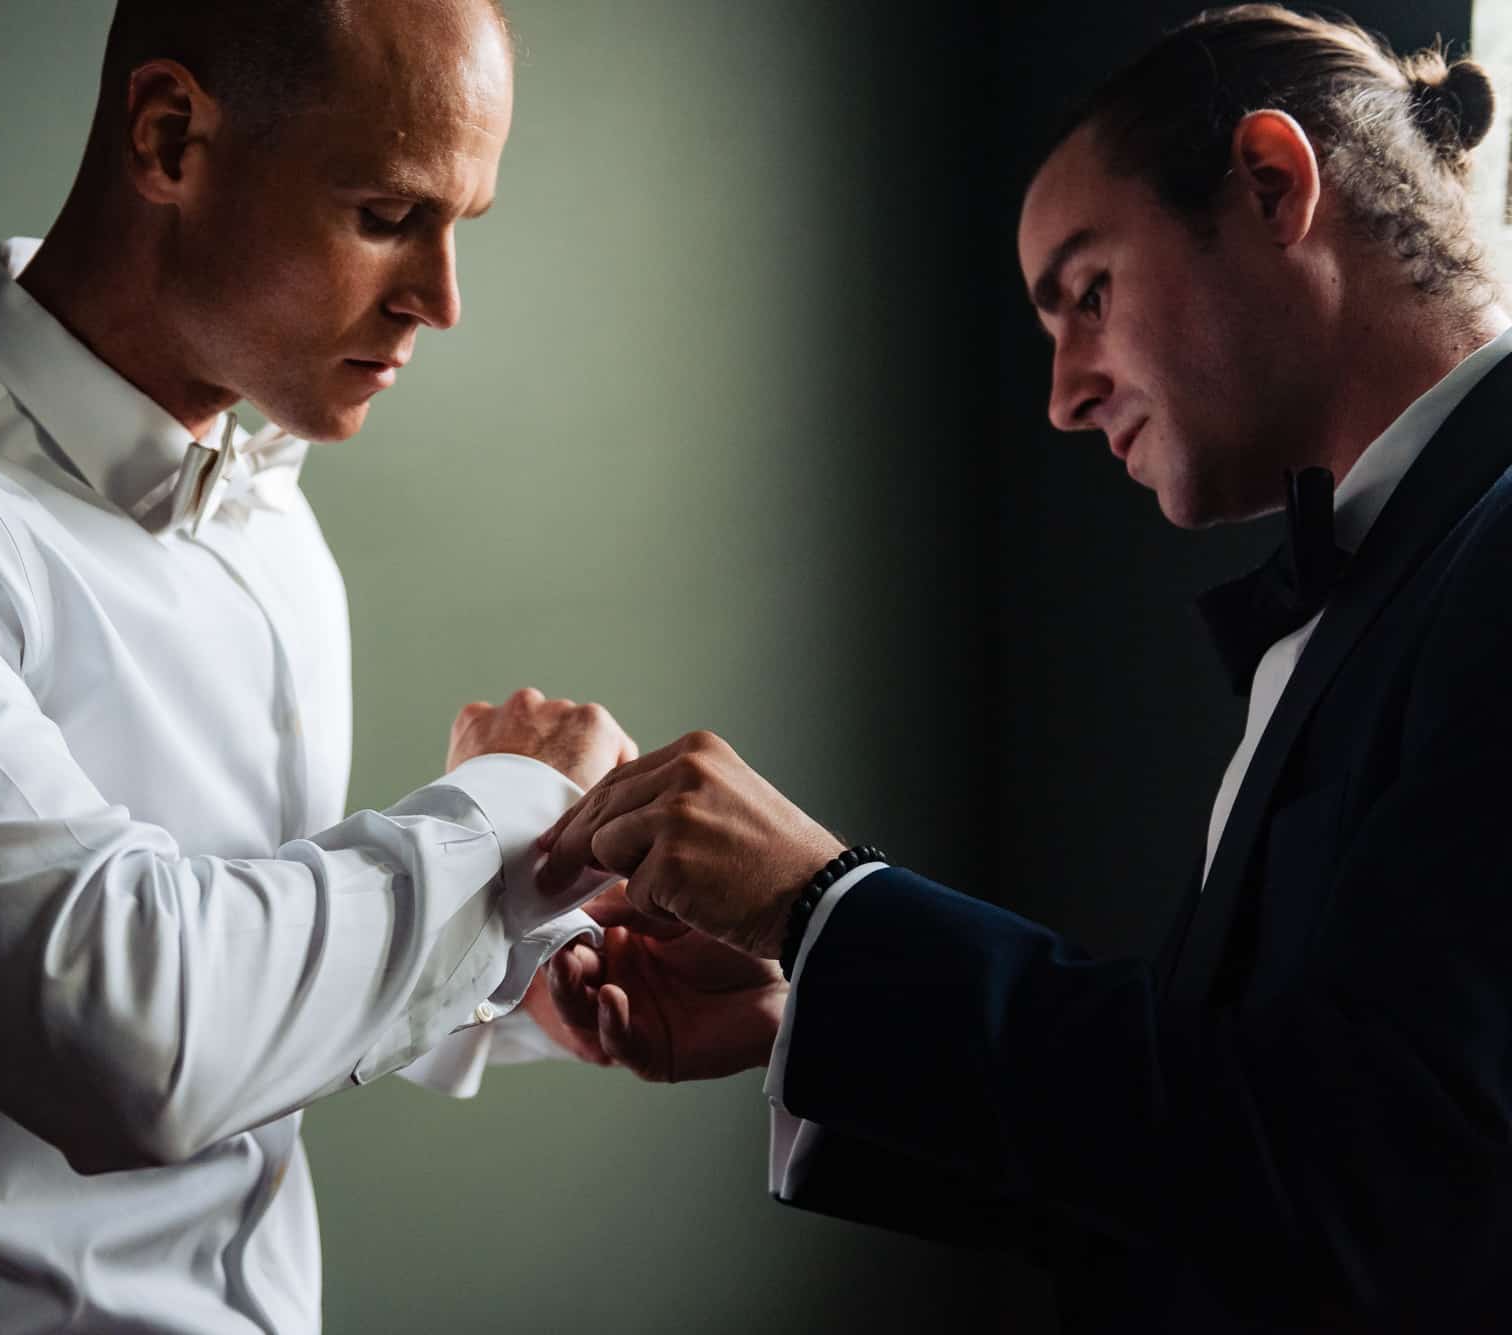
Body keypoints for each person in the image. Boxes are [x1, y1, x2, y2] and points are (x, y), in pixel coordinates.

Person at [0, 2, 633, 1331]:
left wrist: (522, 957)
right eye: (387, 213)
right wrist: (507, 816)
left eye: (461, 225)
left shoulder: (266, 512)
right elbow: (136, 1038)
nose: (442, 299)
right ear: (168, 137)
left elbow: (227, 937)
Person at [537, 6, 1512, 1330]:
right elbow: (1228, 1153)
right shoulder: (1397, 567)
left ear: (1274, 185)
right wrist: (805, 1002)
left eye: (1088, 291)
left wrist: (827, 906)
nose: (1062, 392)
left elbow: (1385, 1198)